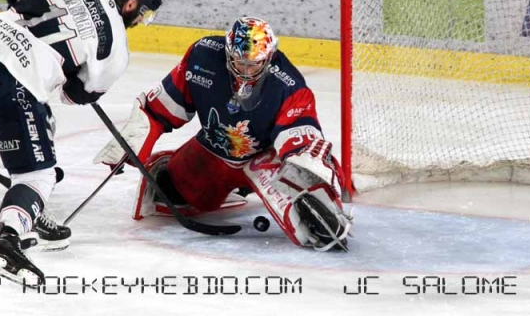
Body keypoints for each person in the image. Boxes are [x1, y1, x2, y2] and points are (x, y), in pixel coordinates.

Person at [0, 0, 163, 285]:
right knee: (38, 173)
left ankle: (27, 205)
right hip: (12, 84)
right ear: (132, 4)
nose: (138, 21)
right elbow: (73, 95)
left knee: (40, 120)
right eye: (143, 14)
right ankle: (8, 241)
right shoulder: (115, 53)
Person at [94, 17, 354, 251]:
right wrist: (132, 142)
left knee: (316, 225)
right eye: (239, 63)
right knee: (167, 194)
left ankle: (302, 194)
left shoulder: (288, 85)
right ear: (228, 53)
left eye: (254, 65)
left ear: (269, 57)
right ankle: (234, 187)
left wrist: (311, 171)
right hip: (214, 152)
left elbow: (299, 143)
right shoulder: (203, 57)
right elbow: (161, 109)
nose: (245, 72)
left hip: (265, 160)